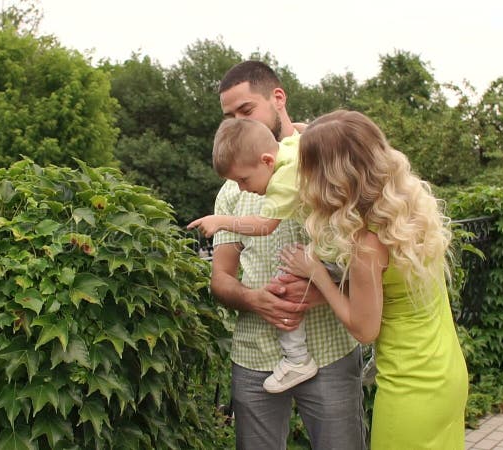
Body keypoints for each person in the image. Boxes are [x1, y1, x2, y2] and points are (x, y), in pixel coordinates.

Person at [278, 109, 469, 449]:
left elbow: (365, 329)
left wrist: (318, 275)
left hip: (411, 387)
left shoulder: (368, 245)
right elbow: (390, 294)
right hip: (447, 374)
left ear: (332, 178)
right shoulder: (410, 211)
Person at [207, 60, 365, 449]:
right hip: (255, 357)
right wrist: (251, 299)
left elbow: (373, 255)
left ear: (278, 98)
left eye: (246, 110)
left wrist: (324, 287)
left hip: (330, 352)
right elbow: (221, 279)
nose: (240, 122)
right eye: (230, 117)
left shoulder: (327, 162)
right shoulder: (233, 186)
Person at [188, 117, 320, 393]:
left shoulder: (283, 180)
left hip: (334, 247)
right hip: (340, 242)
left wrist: (222, 221)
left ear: (266, 161)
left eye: (243, 179)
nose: (242, 188)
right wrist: (306, 129)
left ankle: (297, 358)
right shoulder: (293, 146)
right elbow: (307, 134)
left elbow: (264, 226)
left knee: (283, 286)